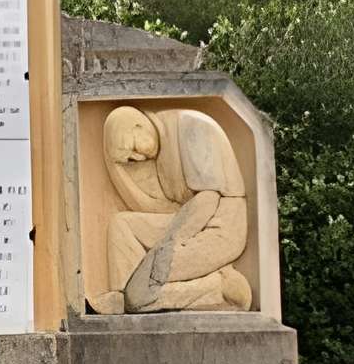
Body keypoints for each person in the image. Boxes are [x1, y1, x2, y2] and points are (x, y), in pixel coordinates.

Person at [93, 104, 252, 313]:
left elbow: (207, 199)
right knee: (121, 224)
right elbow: (165, 208)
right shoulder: (160, 144)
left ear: (139, 126)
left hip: (220, 229)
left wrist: (169, 245)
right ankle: (128, 299)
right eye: (130, 159)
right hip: (187, 219)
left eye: (132, 149)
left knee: (140, 290)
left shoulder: (191, 127)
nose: (137, 158)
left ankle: (219, 288)